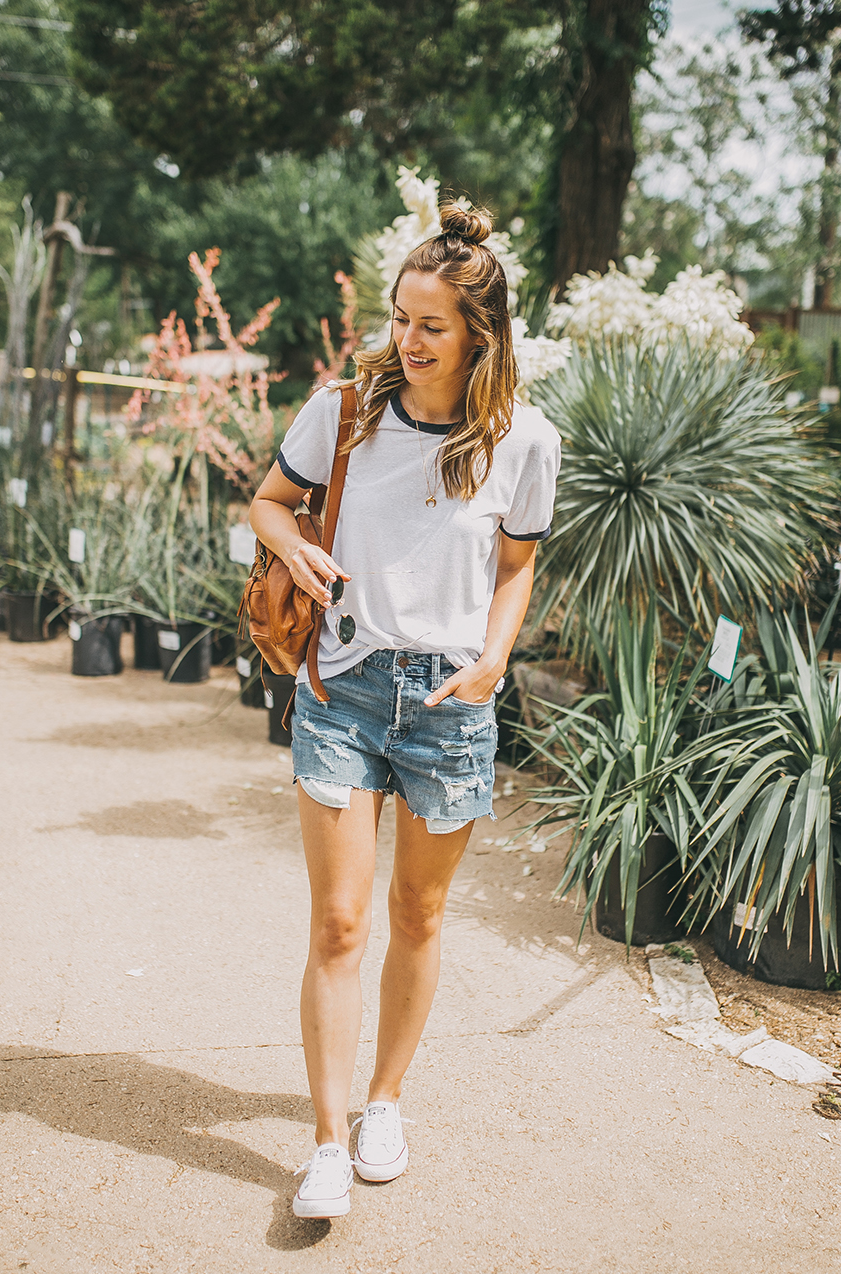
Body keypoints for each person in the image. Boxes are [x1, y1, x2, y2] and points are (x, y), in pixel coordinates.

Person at [248, 201, 561, 1220]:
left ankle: (386, 1100)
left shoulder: (524, 440)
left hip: (449, 702)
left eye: (430, 324)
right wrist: (292, 547)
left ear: (481, 333)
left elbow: (515, 569)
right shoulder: (345, 411)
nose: (407, 340)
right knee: (339, 921)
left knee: (416, 913)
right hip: (341, 685)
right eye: (399, 317)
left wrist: (493, 663)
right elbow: (267, 502)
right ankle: (328, 1140)